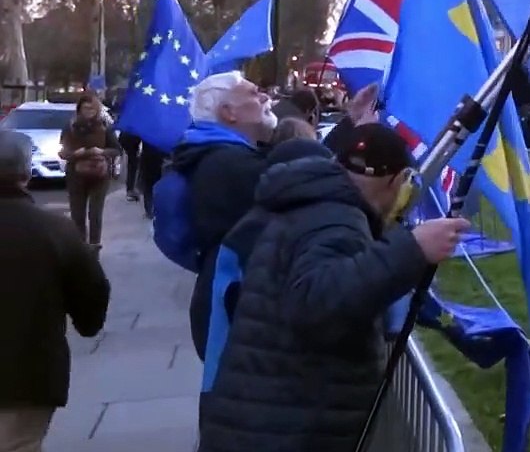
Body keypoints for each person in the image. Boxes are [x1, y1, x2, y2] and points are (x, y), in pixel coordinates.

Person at [197, 124, 470, 452]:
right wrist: (411, 250)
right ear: (396, 182)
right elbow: (317, 302)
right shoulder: (336, 220)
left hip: (266, 418)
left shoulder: (314, 204)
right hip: (283, 430)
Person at [0, 130, 111, 450]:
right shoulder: (54, 229)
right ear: (25, 172)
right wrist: (89, 322)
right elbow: (92, 289)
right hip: (25, 375)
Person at [168, 72, 279, 360]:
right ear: (228, 112)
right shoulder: (231, 165)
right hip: (241, 314)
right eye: (254, 93)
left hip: (228, 305)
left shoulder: (218, 155)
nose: (266, 97)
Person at [58, 95, 121, 251]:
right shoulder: (70, 126)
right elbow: (63, 152)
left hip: (99, 174)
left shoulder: (104, 126)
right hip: (76, 174)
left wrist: (102, 151)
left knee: (95, 213)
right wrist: (76, 154)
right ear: (79, 109)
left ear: (97, 109)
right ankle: (80, 248)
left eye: (92, 108)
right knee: (77, 214)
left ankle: (94, 247)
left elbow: (116, 149)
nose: (89, 112)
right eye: (85, 108)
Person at [118, 129, 142, 202]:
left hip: (126, 139)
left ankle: (131, 189)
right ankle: (132, 189)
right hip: (131, 142)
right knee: (133, 166)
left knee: (132, 165)